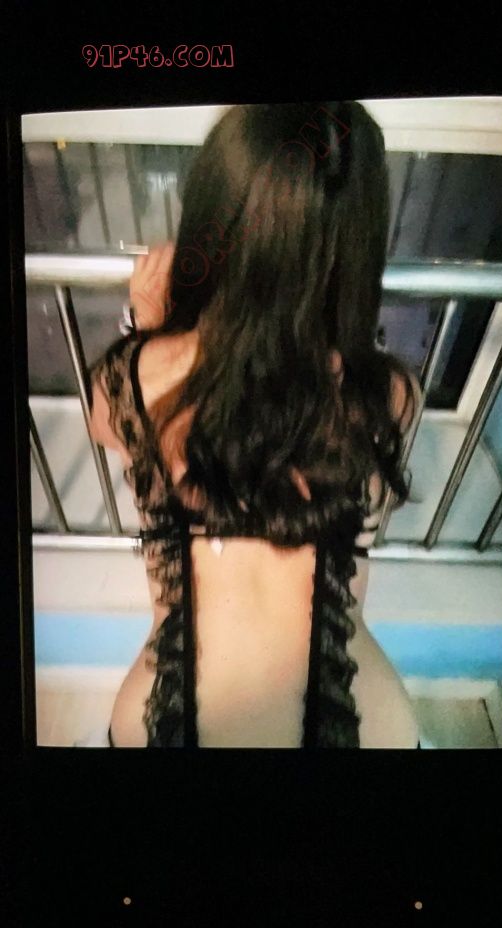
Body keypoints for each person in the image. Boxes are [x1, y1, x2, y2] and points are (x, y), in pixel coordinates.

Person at [88, 101, 421, 749]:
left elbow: (112, 430)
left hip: (171, 717)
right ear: (357, 246)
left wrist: (151, 330)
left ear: (209, 221)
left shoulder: (131, 382)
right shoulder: (388, 395)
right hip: (362, 720)